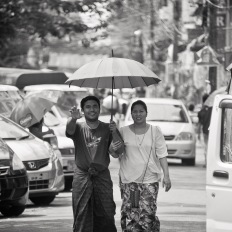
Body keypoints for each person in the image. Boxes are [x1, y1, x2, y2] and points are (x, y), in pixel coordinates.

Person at [110, 100, 171, 232]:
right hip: (130, 181)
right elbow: (116, 154)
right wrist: (113, 135)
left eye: (141, 111)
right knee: (132, 213)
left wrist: (166, 176)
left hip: (150, 180)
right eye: (135, 112)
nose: (138, 114)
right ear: (131, 114)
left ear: (146, 113)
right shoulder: (123, 131)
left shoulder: (155, 131)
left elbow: (162, 154)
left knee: (148, 213)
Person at [66, 95, 124, 232]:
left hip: (102, 176)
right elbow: (69, 130)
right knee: (81, 214)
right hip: (82, 176)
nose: (92, 109)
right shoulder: (78, 127)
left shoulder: (107, 127)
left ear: (99, 108)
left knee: (107, 213)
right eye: (88, 107)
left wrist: (114, 131)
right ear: (83, 110)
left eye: (95, 106)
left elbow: (119, 150)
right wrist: (73, 118)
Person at [198, 93, 212, 167]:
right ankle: (210, 162)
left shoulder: (201, 111)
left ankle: (207, 163)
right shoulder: (212, 109)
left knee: (206, 147)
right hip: (212, 131)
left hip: (205, 132)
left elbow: (200, 124)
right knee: (211, 147)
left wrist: (198, 134)